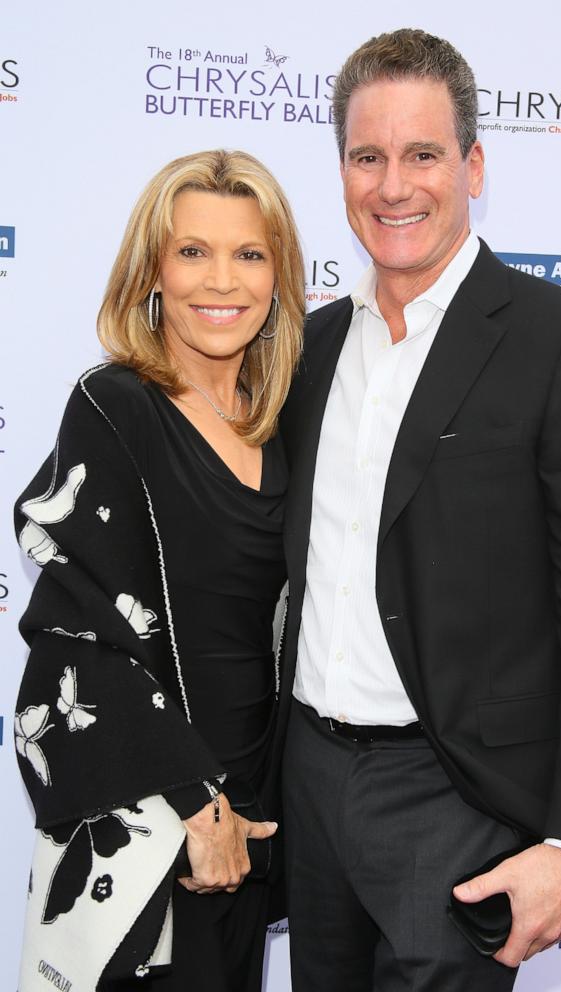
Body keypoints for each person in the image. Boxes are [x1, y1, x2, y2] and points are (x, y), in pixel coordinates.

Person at [268, 28, 561, 991]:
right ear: (342, 171)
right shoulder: (310, 348)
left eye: (422, 155)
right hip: (310, 781)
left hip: (456, 799)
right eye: (368, 156)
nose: (393, 185)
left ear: (473, 165)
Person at [13, 149, 304, 991]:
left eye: (250, 254)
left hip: (255, 816)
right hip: (148, 816)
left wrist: (243, 810)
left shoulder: (286, 419)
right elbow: (80, 630)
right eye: (192, 252)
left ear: (279, 276)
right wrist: (190, 802)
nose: (222, 281)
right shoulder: (116, 408)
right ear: (152, 271)